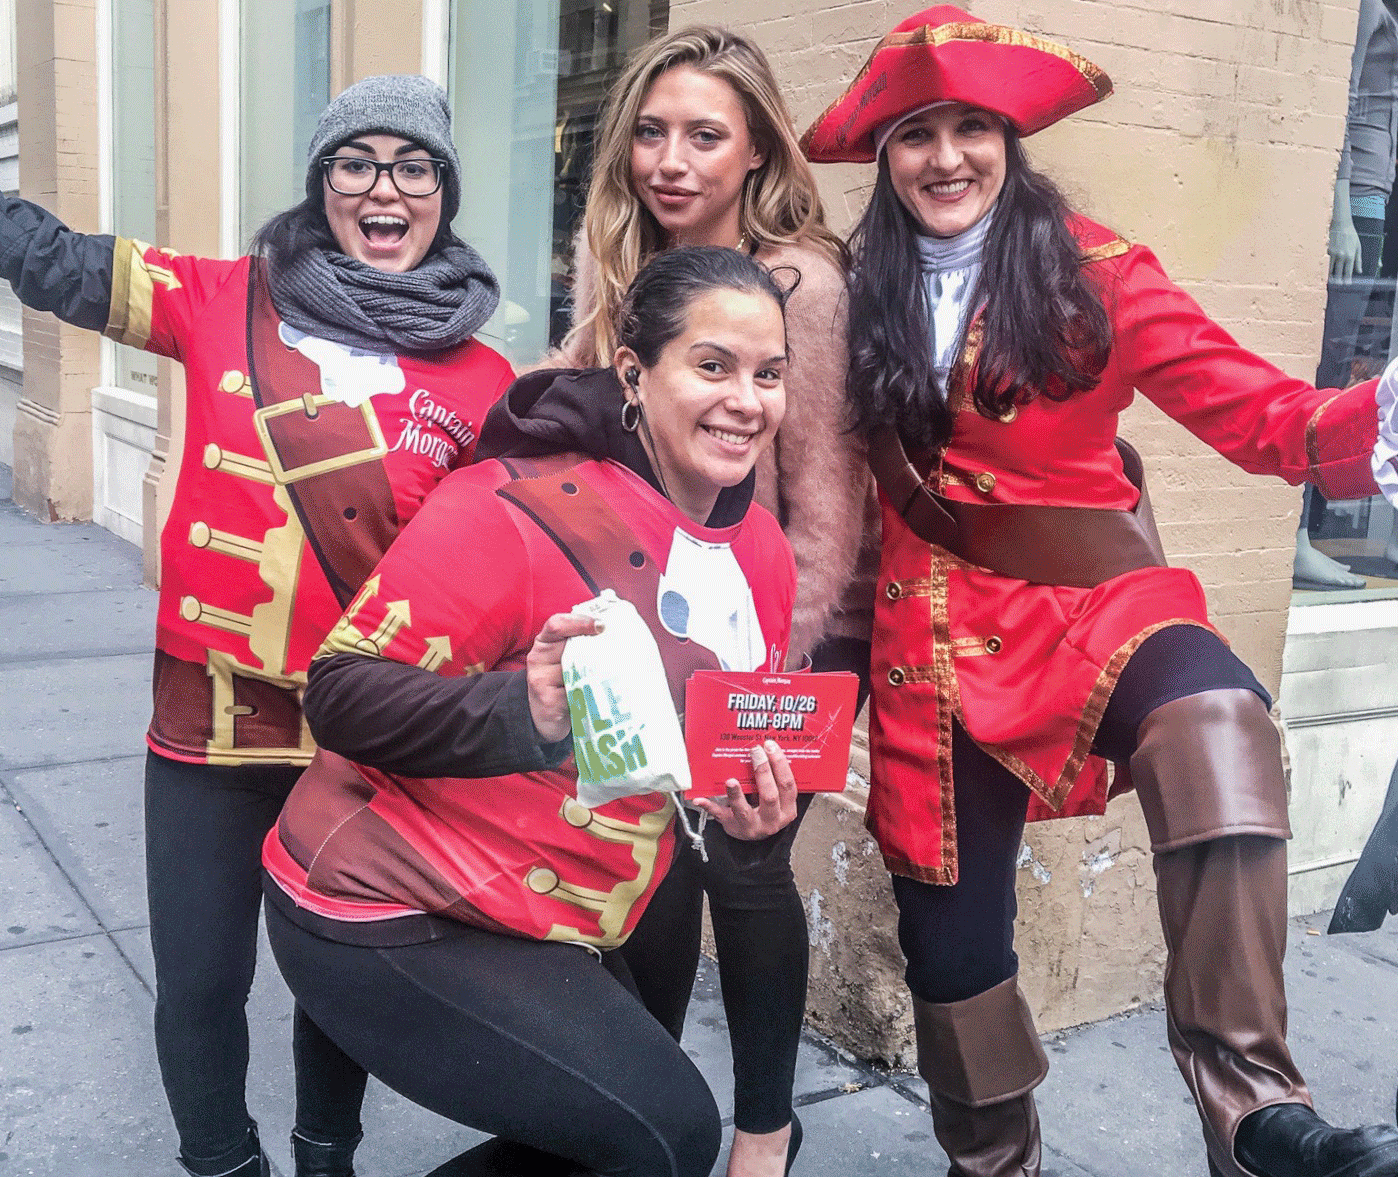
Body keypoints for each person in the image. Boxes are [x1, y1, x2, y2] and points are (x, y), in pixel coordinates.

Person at [801, 7, 1398, 1177]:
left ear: (1009, 139)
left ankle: (1253, 1108)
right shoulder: (843, 291)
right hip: (926, 649)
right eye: (916, 133)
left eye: (971, 127)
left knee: (1217, 719)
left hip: (1093, 611)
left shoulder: (1100, 273)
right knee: (953, 956)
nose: (945, 157)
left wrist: (1373, 416)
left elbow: (1265, 417)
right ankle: (994, 1161)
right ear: (884, 154)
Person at [0, 75, 513, 1177]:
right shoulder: (221, 297)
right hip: (208, 727)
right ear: (322, 181)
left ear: (443, 190)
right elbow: (46, 257)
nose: (383, 188)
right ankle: (222, 1162)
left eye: (413, 166)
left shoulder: (484, 377)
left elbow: (508, 564)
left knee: (339, 978)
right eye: (356, 162)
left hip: (363, 735)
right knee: (200, 980)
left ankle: (325, 1159)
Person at [260, 245, 800, 1177]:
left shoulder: (763, 553)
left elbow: (740, 859)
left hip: (571, 895)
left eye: (769, 373)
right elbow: (340, 691)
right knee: (665, 1134)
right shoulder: (509, 506)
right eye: (712, 365)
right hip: (384, 896)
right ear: (633, 372)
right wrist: (527, 706)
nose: (745, 400)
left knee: (632, 1124)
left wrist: (766, 1132)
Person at [548, 28, 876, 1176]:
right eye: (649, 132)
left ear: (756, 153)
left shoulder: (800, 286)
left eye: (703, 135)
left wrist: (755, 681)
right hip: (639, 621)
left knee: (743, 863)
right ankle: (647, 1110)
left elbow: (828, 511)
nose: (670, 160)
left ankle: (765, 1128)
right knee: (638, 861)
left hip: (781, 632)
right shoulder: (617, 266)